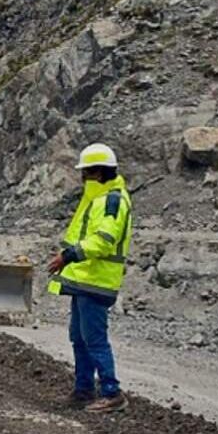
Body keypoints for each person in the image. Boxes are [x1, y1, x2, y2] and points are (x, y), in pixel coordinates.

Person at [46, 143, 132, 413]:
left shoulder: (112, 201)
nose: (82, 178)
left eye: (86, 172)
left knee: (93, 338)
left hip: (97, 280)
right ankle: (83, 390)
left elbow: (103, 241)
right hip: (84, 279)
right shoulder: (97, 198)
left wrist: (69, 256)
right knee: (79, 337)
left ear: (98, 172)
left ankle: (111, 392)